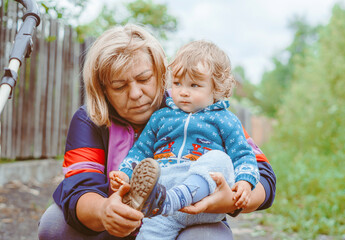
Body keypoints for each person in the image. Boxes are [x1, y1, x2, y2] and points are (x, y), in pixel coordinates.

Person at [37, 24, 276, 240]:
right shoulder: (90, 119)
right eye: (119, 86)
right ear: (103, 90)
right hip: (118, 225)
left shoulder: (194, 108)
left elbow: (260, 170)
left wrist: (232, 201)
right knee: (54, 225)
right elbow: (79, 186)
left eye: (144, 79)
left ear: (161, 73)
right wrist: (103, 211)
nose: (135, 93)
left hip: (186, 220)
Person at [109, 40, 261, 239]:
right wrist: (125, 174)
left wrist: (245, 182)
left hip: (205, 199)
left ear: (217, 88)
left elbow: (243, 155)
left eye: (194, 85)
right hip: (161, 205)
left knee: (219, 159)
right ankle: (168, 200)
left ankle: (176, 198)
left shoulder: (226, 120)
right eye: (178, 83)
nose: (183, 91)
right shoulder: (160, 117)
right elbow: (140, 152)